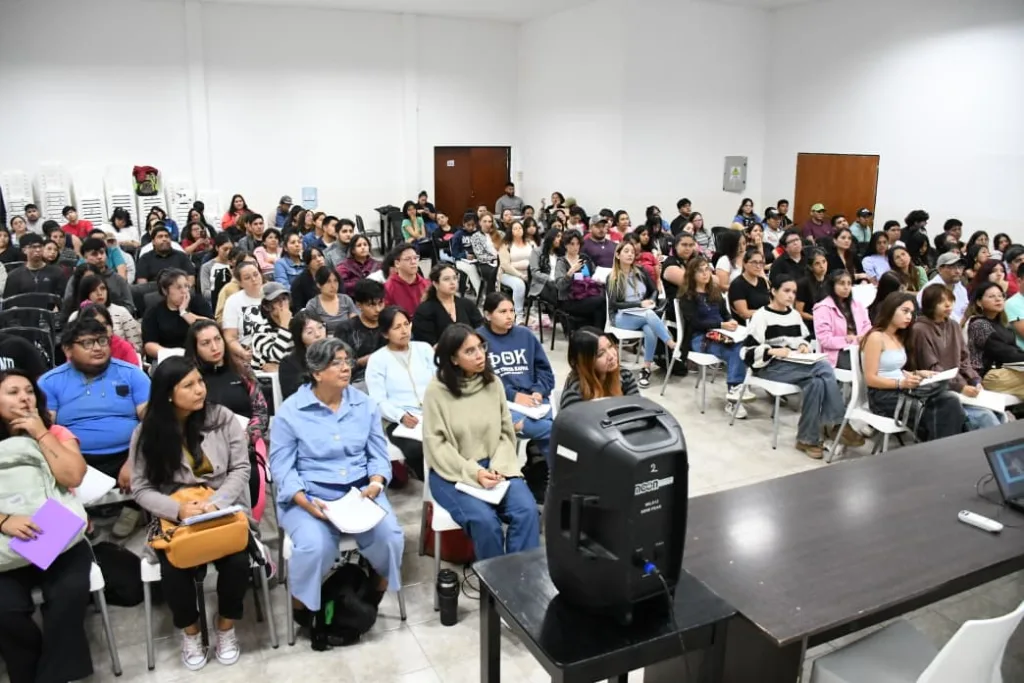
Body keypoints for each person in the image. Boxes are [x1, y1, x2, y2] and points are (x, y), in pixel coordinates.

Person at [270, 338, 404, 634]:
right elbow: (281, 466)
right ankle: (302, 610)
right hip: (311, 495)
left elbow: (378, 455)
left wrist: (377, 482)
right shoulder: (291, 412)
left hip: (358, 493)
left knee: (391, 537)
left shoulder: (364, 404)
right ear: (317, 373)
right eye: (337, 363)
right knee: (314, 546)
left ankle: (371, 595)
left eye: (347, 361)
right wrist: (304, 501)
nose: (346, 368)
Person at [129, 357, 251, 670]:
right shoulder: (147, 434)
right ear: (169, 393)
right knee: (175, 569)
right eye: (189, 385)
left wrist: (218, 502)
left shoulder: (221, 418)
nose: (200, 390)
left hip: (221, 511)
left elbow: (241, 467)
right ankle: (191, 631)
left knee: (237, 561)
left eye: (200, 382)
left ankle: (225, 626)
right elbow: (141, 488)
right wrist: (178, 509)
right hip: (177, 517)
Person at [0, 369, 92, 683]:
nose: (24, 397)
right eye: (12, 392)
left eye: (28, 391)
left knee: (68, 593)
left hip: (56, 533)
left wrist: (41, 434)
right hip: (5, 541)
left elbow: (73, 477)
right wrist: (4, 521)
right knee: (6, 609)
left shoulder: (56, 432)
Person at [422, 324, 539, 560]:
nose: (480, 355)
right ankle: (494, 590)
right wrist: (474, 472)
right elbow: (437, 446)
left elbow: (506, 433)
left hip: (496, 466)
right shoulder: (437, 391)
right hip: (452, 473)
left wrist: (498, 466)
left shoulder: (493, 383)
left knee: (527, 512)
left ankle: (519, 582)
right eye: (470, 351)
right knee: (485, 522)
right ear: (453, 359)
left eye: (481, 347)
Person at [40, 317, 150, 535]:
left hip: (126, 452)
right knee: (39, 454)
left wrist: (133, 460)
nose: (98, 348)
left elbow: (151, 420)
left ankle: (133, 508)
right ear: (68, 350)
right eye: (88, 343)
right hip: (76, 457)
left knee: (163, 437)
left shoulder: (131, 374)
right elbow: (45, 428)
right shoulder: (50, 382)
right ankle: (66, 531)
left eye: (102, 340)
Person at [742, 272, 848, 459]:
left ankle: (807, 439)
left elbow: (805, 339)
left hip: (794, 364)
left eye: (794, 292)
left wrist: (803, 346)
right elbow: (746, 351)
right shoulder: (761, 315)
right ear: (773, 291)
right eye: (786, 291)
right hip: (769, 367)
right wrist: (771, 351)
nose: (791, 295)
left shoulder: (794, 315)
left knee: (815, 383)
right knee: (823, 366)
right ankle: (838, 423)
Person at [861, 292, 966, 440]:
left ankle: (944, 448)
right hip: (883, 395)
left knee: (950, 399)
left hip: (903, 389)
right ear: (891, 309)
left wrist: (917, 373)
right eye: (905, 311)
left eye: (911, 313)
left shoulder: (898, 336)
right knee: (935, 409)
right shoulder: (876, 337)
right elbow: (870, 378)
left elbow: (893, 369)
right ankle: (940, 450)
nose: (909, 317)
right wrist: (901, 383)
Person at [909, 284, 1004, 431]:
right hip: (938, 389)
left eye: (950, 300)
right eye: (942, 302)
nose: (948, 305)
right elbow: (932, 368)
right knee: (985, 417)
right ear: (930, 304)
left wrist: (974, 379)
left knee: (999, 412)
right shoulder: (919, 329)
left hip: (960, 384)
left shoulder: (953, 325)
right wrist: (960, 387)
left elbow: (964, 358)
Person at [477, 293, 555, 462]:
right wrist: (514, 396)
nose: (509, 316)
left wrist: (538, 391)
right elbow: (478, 382)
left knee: (552, 440)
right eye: (503, 311)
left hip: (534, 402)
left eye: (512, 310)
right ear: (488, 315)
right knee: (556, 434)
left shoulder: (525, 335)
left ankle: (555, 479)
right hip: (500, 405)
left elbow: (545, 371)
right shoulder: (477, 340)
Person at [184, 320, 269, 471]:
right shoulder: (190, 378)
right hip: (205, 449)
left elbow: (261, 411)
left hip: (245, 446)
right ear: (195, 348)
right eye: (205, 343)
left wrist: (247, 437)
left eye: (218, 339)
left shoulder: (242, 369)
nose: (214, 347)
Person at [364, 307, 432, 479]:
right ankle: (428, 482)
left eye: (406, 324)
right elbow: (378, 400)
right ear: (385, 334)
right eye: (397, 327)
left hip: (432, 412)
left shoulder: (424, 349)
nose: (404, 330)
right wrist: (400, 415)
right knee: (416, 449)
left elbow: (440, 381)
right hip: (399, 420)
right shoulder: (378, 360)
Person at [679, 257, 750, 417]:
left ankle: (737, 388)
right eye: (700, 270)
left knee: (744, 345)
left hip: (721, 334)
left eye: (707, 270)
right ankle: (734, 395)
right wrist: (720, 325)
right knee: (736, 351)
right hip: (700, 338)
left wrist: (731, 321)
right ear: (692, 274)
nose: (705, 274)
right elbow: (695, 323)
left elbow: (725, 314)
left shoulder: (714, 292)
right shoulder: (687, 296)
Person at [607, 241, 676, 387]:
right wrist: (639, 305)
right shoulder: (613, 277)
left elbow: (654, 290)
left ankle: (646, 368)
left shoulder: (640, 271)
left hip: (642, 314)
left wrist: (650, 301)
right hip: (621, 316)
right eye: (626, 251)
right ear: (618, 255)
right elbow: (613, 304)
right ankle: (670, 344)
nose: (630, 254)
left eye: (632, 252)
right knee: (649, 315)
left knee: (650, 328)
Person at [964, 283, 1024, 400]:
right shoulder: (979, 324)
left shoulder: (1002, 324)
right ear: (979, 302)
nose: (998, 299)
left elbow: (1014, 351)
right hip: (987, 376)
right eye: (991, 297)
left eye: (1000, 296)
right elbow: (1004, 353)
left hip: (1007, 370)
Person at [560, 327, 639, 409]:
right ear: (585, 362)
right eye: (601, 354)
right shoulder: (576, 389)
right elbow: (571, 420)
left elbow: (639, 410)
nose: (611, 356)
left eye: (610, 346)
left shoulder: (625, 375)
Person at [141, 269, 212, 360]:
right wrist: (174, 354)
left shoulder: (198, 302)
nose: (184, 291)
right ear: (165, 291)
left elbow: (211, 327)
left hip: (200, 355)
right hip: (169, 358)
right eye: (179, 287)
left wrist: (184, 313)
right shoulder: (153, 311)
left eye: (186, 286)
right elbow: (149, 345)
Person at [65, 273, 142, 351]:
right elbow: (72, 349)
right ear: (85, 293)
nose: (99, 293)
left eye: (103, 288)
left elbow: (136, 346)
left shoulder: (121, 312)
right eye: (93, 290)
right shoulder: (75, 316)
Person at [412, 263, 482, 346]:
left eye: (455, 278)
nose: (452, 282)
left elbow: (480, 329)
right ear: (435, 284)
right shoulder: (425, 310)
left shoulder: (467, 304)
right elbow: (426, 342)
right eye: (446, 279)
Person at [813, 270, 870, 369]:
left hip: (860, 348)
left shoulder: (857, 304)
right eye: (841, 283)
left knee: (883, 356)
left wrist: (863, 338)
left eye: (849, 283)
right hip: (837, 353)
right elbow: (825, 340)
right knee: (870, 361)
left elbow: (867, 326)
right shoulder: (823, 307)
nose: (846, 287)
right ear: (832, 286)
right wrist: (848, 340)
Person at [334, 279, 387, 388]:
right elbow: (338, 365)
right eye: (371, 305)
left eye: (380, 303)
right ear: (358, 305)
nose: (377, 309)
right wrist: (361, 362)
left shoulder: (390, 325)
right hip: (358, 380)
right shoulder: (346, 329)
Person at [553, 230, 606, 330]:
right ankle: (599, 335)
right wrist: (571, 272)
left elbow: (594, 274)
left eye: (577, 244)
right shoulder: (561, 262)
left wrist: (599, 278)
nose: (575, 247)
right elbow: (559, 286)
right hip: (570, 300)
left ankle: (597, 335)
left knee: (602, 304)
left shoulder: (584, 258)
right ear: (565, 245)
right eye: (572, 244)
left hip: (588, 295)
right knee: (601, 302)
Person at [222, 261, 267, 365]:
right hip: (248, 352)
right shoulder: (233, 301)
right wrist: (243, 353)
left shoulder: (272, 294)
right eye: (247, 278)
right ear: (240, 283)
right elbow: (230, 337)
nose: (254, 280)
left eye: (256, 274)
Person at [279, 311, 326, 400]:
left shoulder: (336, 354)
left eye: (320, 327)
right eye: (309, 332)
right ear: (299, 337)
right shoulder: (289, 363)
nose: (318, 334)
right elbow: (291, 396)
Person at [2, 234, 64, 299]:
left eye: (40, 246)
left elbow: (62, 297)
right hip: (23, 308)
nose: (38, 250)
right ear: (24, 250)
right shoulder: (14, 275)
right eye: (33, 247)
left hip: (49, 308)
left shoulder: (57, 272)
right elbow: (9, 302)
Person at [251, 282, 294, 372]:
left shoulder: (297, 323)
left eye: (284, 299)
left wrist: (281, 368)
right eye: (276, 301)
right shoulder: (259, 329)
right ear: (266, 307)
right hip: (265, 381)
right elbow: (275, 355)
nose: (282, 304)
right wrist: (284, 324)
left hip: (290, 375)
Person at [303, 267, 356, 335]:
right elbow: (313, 330)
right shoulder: (313, 305)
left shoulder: (346, 299)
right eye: (328, 282)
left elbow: (354, 325)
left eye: (335, 281)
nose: (333, 286)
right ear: (319, 284)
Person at [492, 223, 528, 324]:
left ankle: (536, 309)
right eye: (515, 228)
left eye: (520, 228)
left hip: (528, 272)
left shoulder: (529, 243)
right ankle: (519, 315)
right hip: (508, 274)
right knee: (519, 284)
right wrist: (520, 275)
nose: (518, 230)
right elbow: (505, 265)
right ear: (511, 231)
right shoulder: (505, 245)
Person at [920, 252, 969, 323]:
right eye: (952, 267)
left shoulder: (960, 287)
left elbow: (964, 310)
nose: (958, 271)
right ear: (940, 269)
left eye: (960, 267)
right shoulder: (930, 289)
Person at [383, 243, 429, 316]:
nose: (413, 262)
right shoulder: (388, 288)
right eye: (408, 259)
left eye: (415, 258)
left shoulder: (427, 285)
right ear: (397, 263)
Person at [728, 248, 770, 323]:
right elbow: (744, 313)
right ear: (744, 264)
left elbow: (769, 303)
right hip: (748, 325)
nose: (758, 266)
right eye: (754, 262)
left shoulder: (762, 281)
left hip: (765, 321)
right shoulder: (737, 285)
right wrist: (767, 312)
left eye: (761, 263)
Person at [795, 248, 830, 335]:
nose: (822, 266)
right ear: (811, 267)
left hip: (828, 321)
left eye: (824, 261)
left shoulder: (830, 281)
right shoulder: (803, 283)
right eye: (817, 263)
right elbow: (799, 312)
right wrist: (817, 318)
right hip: (810, 325)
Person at [661, 233, 697, 302]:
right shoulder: (670, 264)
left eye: (691, 245)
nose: (688, 248)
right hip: (679, 306)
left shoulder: (694, 261)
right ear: (675, 246)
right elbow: (691, 284)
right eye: (684, 245)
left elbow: (715, 281)